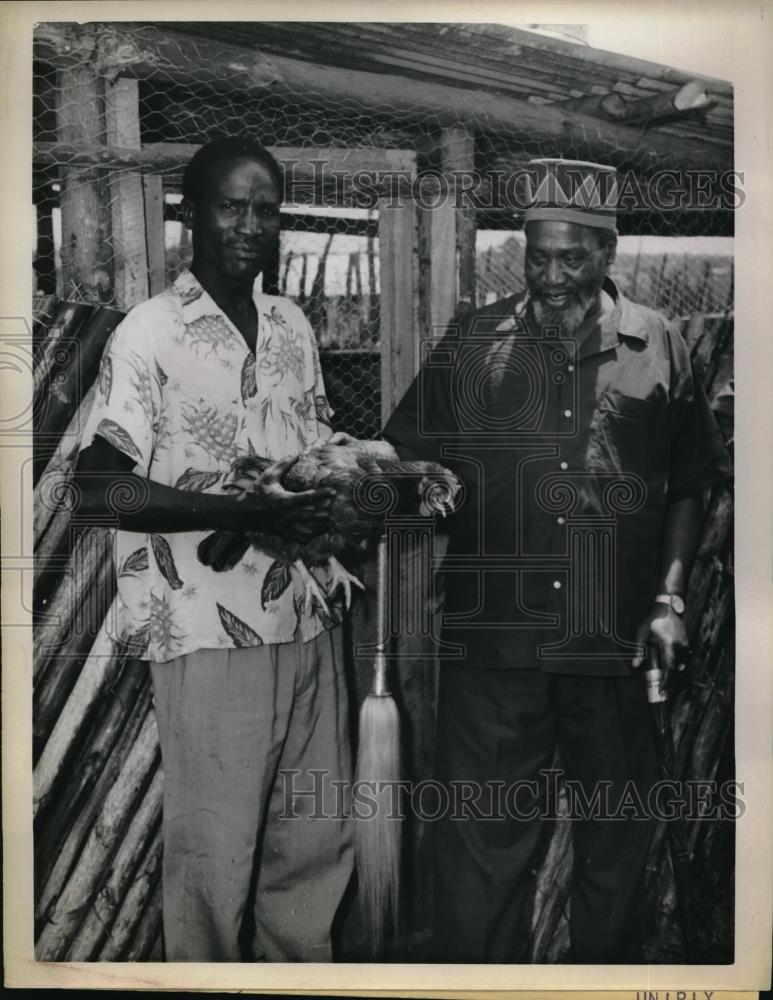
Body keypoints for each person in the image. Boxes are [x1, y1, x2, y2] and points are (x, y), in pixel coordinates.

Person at [383, 158, 732, 963]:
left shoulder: (660, 345)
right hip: (492, 648)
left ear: (608, 253)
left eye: (570, 257)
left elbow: (688, 484)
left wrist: (668, 600)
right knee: (477, 850)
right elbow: (407, 456)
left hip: (611, 647)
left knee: (615, 846)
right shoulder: (474, 340)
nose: (549, 275)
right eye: (536, 255)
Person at [74, 137, 354, 962]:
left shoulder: (291, 326)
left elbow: (309, 453)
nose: (249, 225)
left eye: (265, 210)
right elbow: (95, 489)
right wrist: (239, 509)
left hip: (305, 622)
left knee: (312, 849)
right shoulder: (150, 332)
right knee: (216, 859)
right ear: (188, 215)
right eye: (231, 206)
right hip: (204, 629)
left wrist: (347, 494)